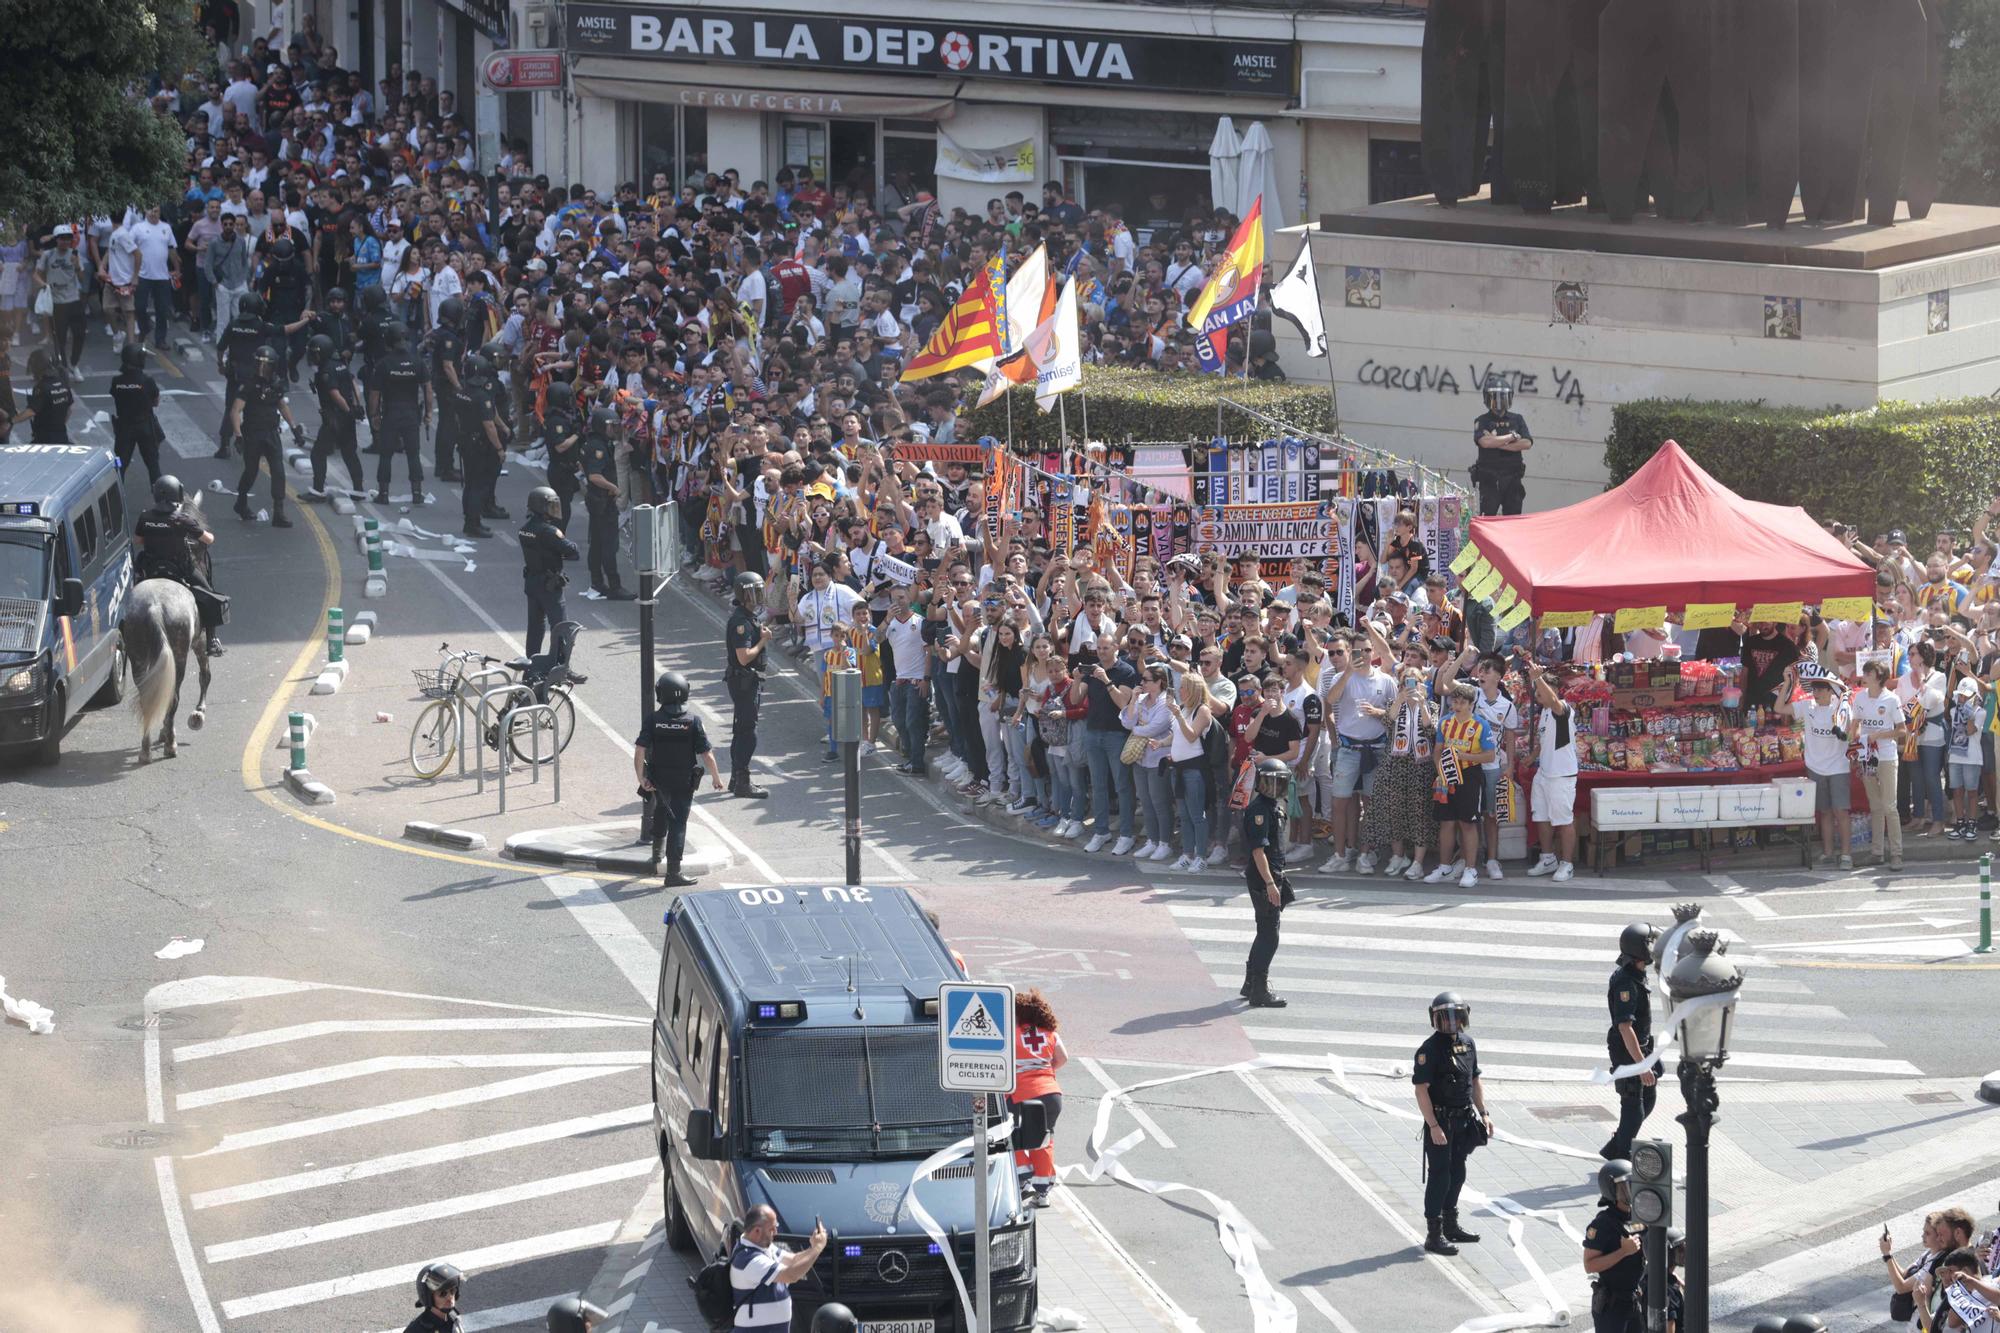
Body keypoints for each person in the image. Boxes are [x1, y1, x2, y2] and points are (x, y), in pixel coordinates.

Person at [1413, 991, 1492, 1257]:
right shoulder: (1429, 1050)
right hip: (1441, 1122)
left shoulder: (1468, 1044)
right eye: (1443, 1018)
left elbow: (1475, 1080)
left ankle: (1450, 1224)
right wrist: (1433, 1126)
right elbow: (1421, 1090)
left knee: (1458, 1173)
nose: (1449, 1023)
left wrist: (1484, 1113)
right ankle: (1433, 1235)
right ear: (1434, 1020)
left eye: (1454, 1017)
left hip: (1463, 1119)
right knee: (1440, 1176)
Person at [635, 670, 724, 888]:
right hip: (683, 781)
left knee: (661, 813)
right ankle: (673, 872)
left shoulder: (653, 720)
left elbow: (639, 751)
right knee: (678, 824)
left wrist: (641, 778)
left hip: (659, 779)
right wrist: (716, 778)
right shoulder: (693, 721)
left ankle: (656, 855)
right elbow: (707, 754)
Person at [132, 476, 226, 656]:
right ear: (178, 493)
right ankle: (212, 641)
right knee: (211, 596)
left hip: (151, 568)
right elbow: (209, 539)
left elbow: (138, 540)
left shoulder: (145, 517)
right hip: (181, 569)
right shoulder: (182, 519)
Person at [1777, 665, 1854, 867]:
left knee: (1841, 812)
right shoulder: (1807, 706)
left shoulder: (1842, 708)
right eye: (1814, 689)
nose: (1816, 693)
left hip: (1838, 768)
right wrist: (1787, 683)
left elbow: (1854, 731)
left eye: (1820, 689)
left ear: (1831, 690)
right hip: (1815, 768)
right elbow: (1779, 708)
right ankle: (1828, 852)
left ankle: (1846, 855)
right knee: (1825, 812)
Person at [227, 344, 301, 527]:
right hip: (252, 434)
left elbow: (282, 406)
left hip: (271, 434)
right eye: (259, 364)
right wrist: (238, 436)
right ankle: (241, 502)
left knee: (278, 472)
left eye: (266, 365)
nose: (262, 369)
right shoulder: (248, 385)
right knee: (251, 471)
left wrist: (294, 427)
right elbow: (235, 410)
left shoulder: (276, 383)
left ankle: (279, 512)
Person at [1241, 755, 1294, 1009]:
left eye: (1279, 783)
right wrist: (1271, 884)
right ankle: (1258, 989)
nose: (1275, 788)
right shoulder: (1259, 810)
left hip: (1271, 874)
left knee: (1264, 931)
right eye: (1270, 783)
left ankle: (1250, 982)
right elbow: (1257, 851)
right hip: (1265, 878)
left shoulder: (1272, 805)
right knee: (1269, 935)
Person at [1602, 922, 1658, 1162]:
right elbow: (1625, 1028)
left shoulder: (1636, 973)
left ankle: (1617, 1144)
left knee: (1649, 1097)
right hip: (1627, 1052)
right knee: (1633, 1108)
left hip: (1641, 1047)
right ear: (1640, 950)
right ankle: (1621, 1161)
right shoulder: (1626, 982)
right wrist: (1641, 1065)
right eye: (1649, 944)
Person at [1010, 987, 1068, 1207]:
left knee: (1011, 1137)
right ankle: (1043, 1193)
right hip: (1052, 1094)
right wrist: (1045, 1071)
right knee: (1044, 1140)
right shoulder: (1050, 1034)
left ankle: (1022, 1178)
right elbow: (1063, 1058)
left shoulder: (1011, 1034)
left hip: (1020, 1096)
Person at [731, 1204, 828, 1333]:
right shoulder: (748, 1260)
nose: (776, 1233)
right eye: (772, 1229)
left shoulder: (764, 1247)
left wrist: (813, 1247)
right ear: (757, 1231)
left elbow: (793, 1260)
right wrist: (817, 1248)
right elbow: (791, 1275)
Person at [1524, 656, 1579, 881]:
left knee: (1564, 820)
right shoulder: (1544, 713)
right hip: (1544, 774)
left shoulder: (1562, 708)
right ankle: (1548, 859)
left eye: (1540, 691)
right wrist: (1532, 757)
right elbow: (1542, 740)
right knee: (1542, 817)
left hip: (1561, 775)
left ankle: (1567, 864)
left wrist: (1538, 678)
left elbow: (1554, 701)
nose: (1537, 696)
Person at [725, 571, 772, 799]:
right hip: (744, 680)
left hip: (745, 680)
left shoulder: (749, 617)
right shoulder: (741, 623)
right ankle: (743, 781)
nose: (757, 596)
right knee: (747, 732)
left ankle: (736, 778)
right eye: (753, 592)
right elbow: (744, 657)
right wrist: (763, 640)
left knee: (741, 730)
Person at [1582, 1160, 1643, 1333]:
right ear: (1611, 1189)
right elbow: (1589, 1265)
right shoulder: (1602, 1224)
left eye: (1633, 1183)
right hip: (1612, 1305)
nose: (1631, 1189)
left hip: (1633, 1299)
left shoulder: (1638, 1216)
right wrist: (1623, 1252)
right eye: (1625, 1185)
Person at [370, 321, 428, 502]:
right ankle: (417, 494)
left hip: (391, 414)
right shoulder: (417, 362)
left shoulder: (383, 364)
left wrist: (374, 415)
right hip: (411, 414)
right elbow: (428, 389)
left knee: (385, 455)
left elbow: (374, 394)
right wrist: (429, 414)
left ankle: (383, 493)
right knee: (413, 454)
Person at [519, 486, 579, 658]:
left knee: (535, 628)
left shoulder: (524, 529)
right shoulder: (549, 531)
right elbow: (572, 551)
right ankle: (561, 666)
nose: (554, 510)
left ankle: (531, 665)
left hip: (532, 582)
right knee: (561, 627)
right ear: (541, 507)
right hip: (549, 586)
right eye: (551, 506)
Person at [579, 406, 631, 598]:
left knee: (598, 543)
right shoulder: (598, 447)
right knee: (608, 545)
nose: (613, 430)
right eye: (610, 426)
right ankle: (614, 586)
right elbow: (594, 475)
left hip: (597, 501)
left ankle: (597, 582)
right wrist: (614, 488)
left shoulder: (594, 443)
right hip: (603, 502)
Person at [305, 332, 365, 499]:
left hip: (334, 417)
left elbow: (334, 394)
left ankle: (318, 491)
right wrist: (354, 407)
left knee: (318, 453)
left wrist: (346, 409)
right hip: (348, 417)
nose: (313, 357)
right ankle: (359, 490)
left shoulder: (326, 370)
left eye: (315, 353)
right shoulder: (341, 364)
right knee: (349, 453)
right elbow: (354, 385)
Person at [457, 352, 507, 539]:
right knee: (478, 485)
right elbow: (488, 424)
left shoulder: (462, 393)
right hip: (478, 444)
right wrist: (499, 449)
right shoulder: (482, 396)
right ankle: (473, 523)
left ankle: (469, 520)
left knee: (469, 483)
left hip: (464, 440)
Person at [1470, 377, 1532, 516]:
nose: (1498, 402)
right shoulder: (1482, 420)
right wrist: (1511, 438)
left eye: (1502, 397)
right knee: (1488, 519)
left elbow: (1527, 443)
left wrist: (1496, 442)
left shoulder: (1517, 419)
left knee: (1513, 519)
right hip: (1490, 479)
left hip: (1513, 478)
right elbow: (1484, 442)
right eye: (1494, 397)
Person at [109, 341, 165, 486]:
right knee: (153, 464)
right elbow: (156, 402)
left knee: (120, 465)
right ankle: (161, 499)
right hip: (145, 426)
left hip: (124, 428)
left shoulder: (116, 381)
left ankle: (116, 499)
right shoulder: (147, 381)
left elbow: (116, 397)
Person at [542, 380, 583, 529]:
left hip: (566, 469)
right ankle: (556, 540)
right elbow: (560, 446)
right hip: (560, 470)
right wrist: (577, 435)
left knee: (563, 507)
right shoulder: (556, 420)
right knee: (562, 511)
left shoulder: (562, 417)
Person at [12, 349, 73, 443]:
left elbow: (31, 411)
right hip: (61, 435)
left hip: (44, 438)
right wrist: (58, 425)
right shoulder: (63, 383)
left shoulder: (42, 387)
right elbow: (69, 410)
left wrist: (11, 421)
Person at [404, 1261, 465, 1332]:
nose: (450, 1297)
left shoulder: (453, 1319)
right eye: (443, 1294)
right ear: (429, 1298)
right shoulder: (417, 1330)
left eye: (453, 1291)